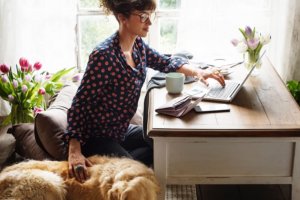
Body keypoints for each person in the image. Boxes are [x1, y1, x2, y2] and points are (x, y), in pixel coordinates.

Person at [62, 0, 225, 183]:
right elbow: (80, 104)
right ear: (123, 18)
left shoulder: (138, 45)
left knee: (166, 145)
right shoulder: (103, 56)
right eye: (143, 17)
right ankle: (119, 163)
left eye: (150, 16)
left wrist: (199, 72)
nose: (149, 23)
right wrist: (74, 151)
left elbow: (165, 62)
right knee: (136, 176)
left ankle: (122, 160)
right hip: (97, 136)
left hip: (121, 131)